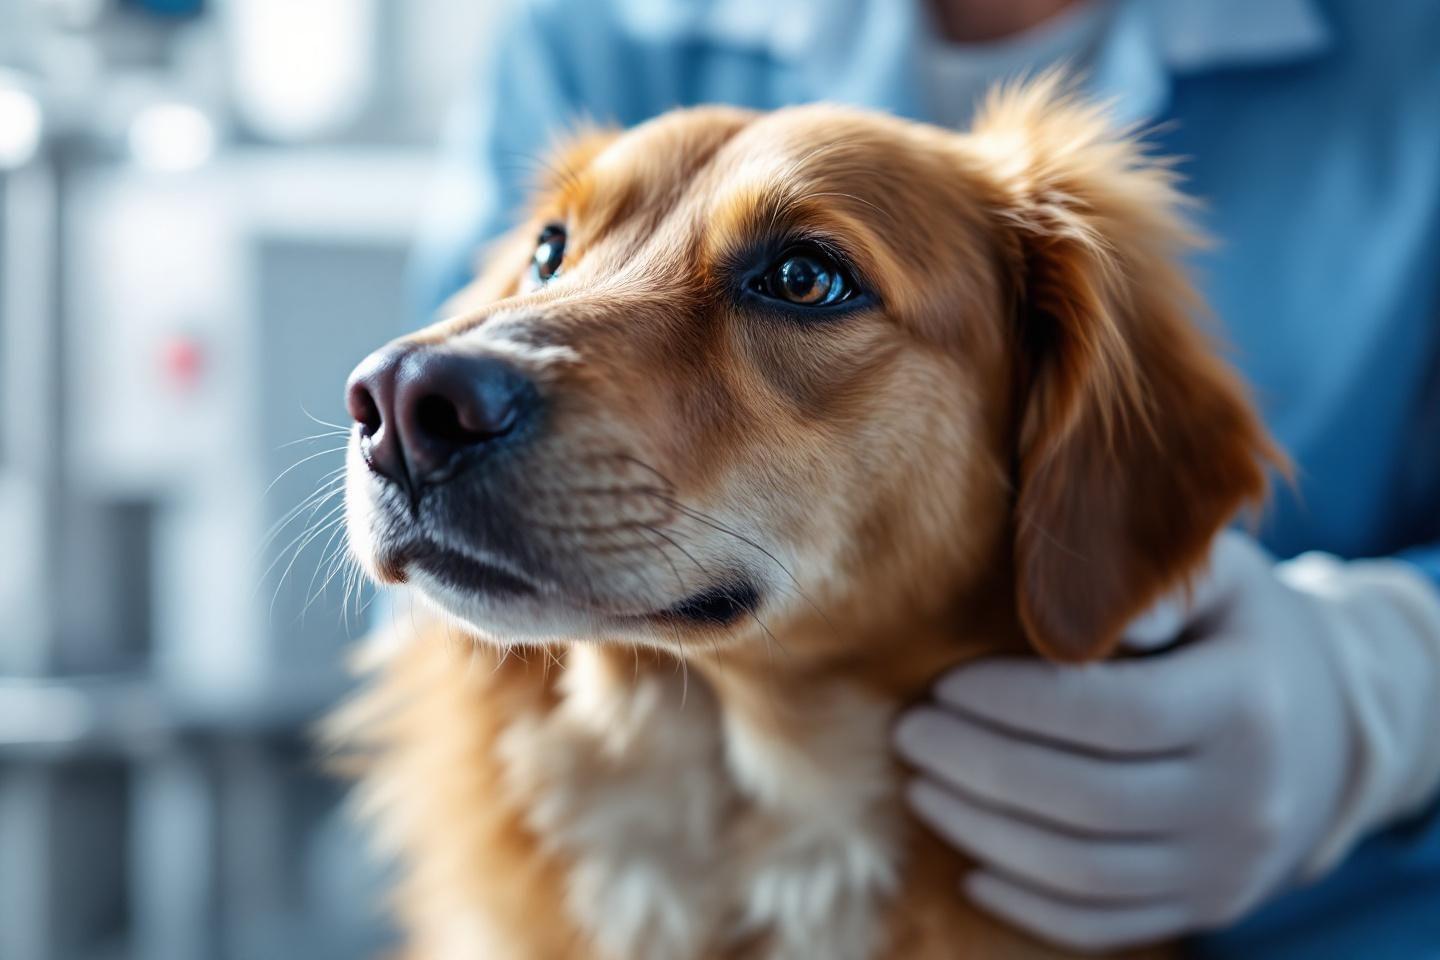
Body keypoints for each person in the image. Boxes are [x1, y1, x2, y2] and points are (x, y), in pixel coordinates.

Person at [410, 0, 1440, 954]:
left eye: (804, 280)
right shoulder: (588, 25)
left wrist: (1388, 686)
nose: (428, 389)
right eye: (555, 254)